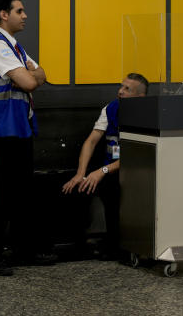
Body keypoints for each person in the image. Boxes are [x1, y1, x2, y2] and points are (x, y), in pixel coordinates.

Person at [0, 0, 55, 276]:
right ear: (3, 14)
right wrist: (29, 76)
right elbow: (30, 80)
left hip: (19, 129)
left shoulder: (15, 48)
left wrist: (30, 76)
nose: (25, 16)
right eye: (20, 11)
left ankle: (25, 248)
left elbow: (43, 73)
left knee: (22, 192)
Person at [61, 72, 148, 260]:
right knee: (78, 187)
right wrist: (81, 173)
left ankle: (117, 247)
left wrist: (102, 171)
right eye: (121, 86)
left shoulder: (145, 115)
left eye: (127, 89)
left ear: (140, 97)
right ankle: (80, 246)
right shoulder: (111, 108)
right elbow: (91, 142)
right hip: (109, 171)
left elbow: (135, 156)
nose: (120, 91)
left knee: (114, 193)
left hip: (135, 173)